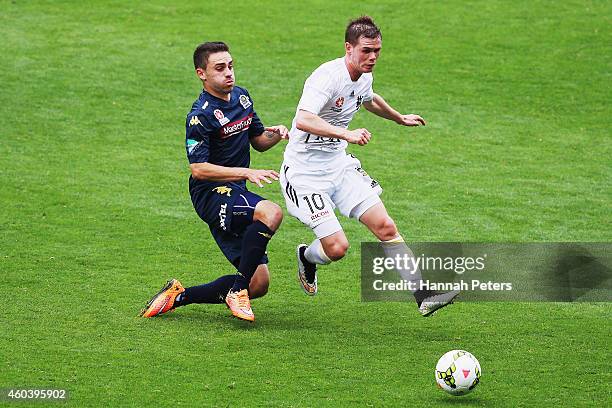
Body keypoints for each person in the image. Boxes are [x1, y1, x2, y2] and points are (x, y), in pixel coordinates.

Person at [280, 16, 458, 316]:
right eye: (366, 50)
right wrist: (346, 133)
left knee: (385, 226)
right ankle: (308, 257)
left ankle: (424, 295)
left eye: (377, 50)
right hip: (305, 174)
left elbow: (369, 99)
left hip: (338, 165)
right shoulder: (326, 77)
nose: (372, 57)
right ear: (348, 48)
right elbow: (303, 119)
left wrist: (399, 117)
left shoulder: (363, 76)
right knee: (337, 248)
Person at [140, 41, 288, 322]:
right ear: (202, 74)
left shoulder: (242, 98)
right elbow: (198, 168)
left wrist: (277, 134)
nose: (229, 73)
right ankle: (237, 292)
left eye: (231, 66)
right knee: (271, 212)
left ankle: (178, 296)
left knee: (258, 284)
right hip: (210, 193)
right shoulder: (200, 115)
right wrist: (245, 173)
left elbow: (258, 141)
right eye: (220, 68)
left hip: (236, 191)